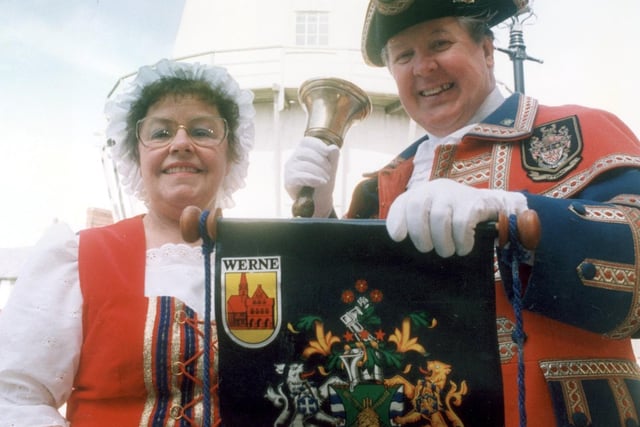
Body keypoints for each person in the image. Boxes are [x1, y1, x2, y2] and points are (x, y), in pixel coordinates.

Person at [284, 0, 640, 426]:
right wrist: (320, 217)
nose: (423, 67)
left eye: (440, 43)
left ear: (487, 51)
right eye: (404, 56)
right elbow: (351, 320)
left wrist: (517, 214)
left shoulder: (582, 132)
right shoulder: (382, 185)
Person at [0, 59, 255, 426]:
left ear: (232, 154)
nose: (181, 143)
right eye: (161, 132)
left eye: (202, 130)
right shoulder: (80, 258)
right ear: (136, 154)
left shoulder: (272, 259)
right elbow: (15, 398)